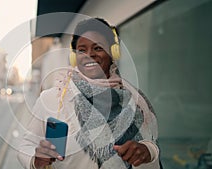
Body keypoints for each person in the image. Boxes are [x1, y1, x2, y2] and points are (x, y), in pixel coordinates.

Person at [18, 17, 161, 169]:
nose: (89, 54)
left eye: (98, 48)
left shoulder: (134, 100)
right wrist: (35, 160)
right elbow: (26, 146)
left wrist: (149, 151)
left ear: (113, 52)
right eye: (82, 50)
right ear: (74, 57)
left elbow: (151, 143)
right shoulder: (53, 99)